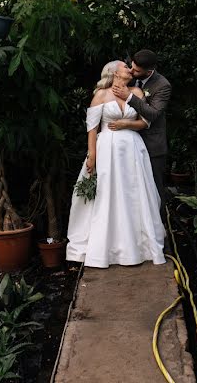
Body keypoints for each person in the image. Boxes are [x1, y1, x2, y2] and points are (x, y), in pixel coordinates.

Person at [66, 60, 166, 268]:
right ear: (113, 72)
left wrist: (125, 124)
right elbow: (92, 128)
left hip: (132, 149)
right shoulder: (101, 94)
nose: (129, 69)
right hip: (107, 151)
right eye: (124, 66)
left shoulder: (137, 94)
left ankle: (137, 246)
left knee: (133, 193)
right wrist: (92, 155)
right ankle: (105, 247)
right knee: (108, 194)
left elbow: (145, 122)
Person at [111, 49, 172, 210]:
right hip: (128, 146)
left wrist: (130, 97)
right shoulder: (130, 78)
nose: (132, 71)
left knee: (154, 190)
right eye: (131, 67)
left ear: (149, 71)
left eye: (137, 70)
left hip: (152, 146)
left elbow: (153, 114)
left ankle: (158, 231)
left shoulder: (162, 85)